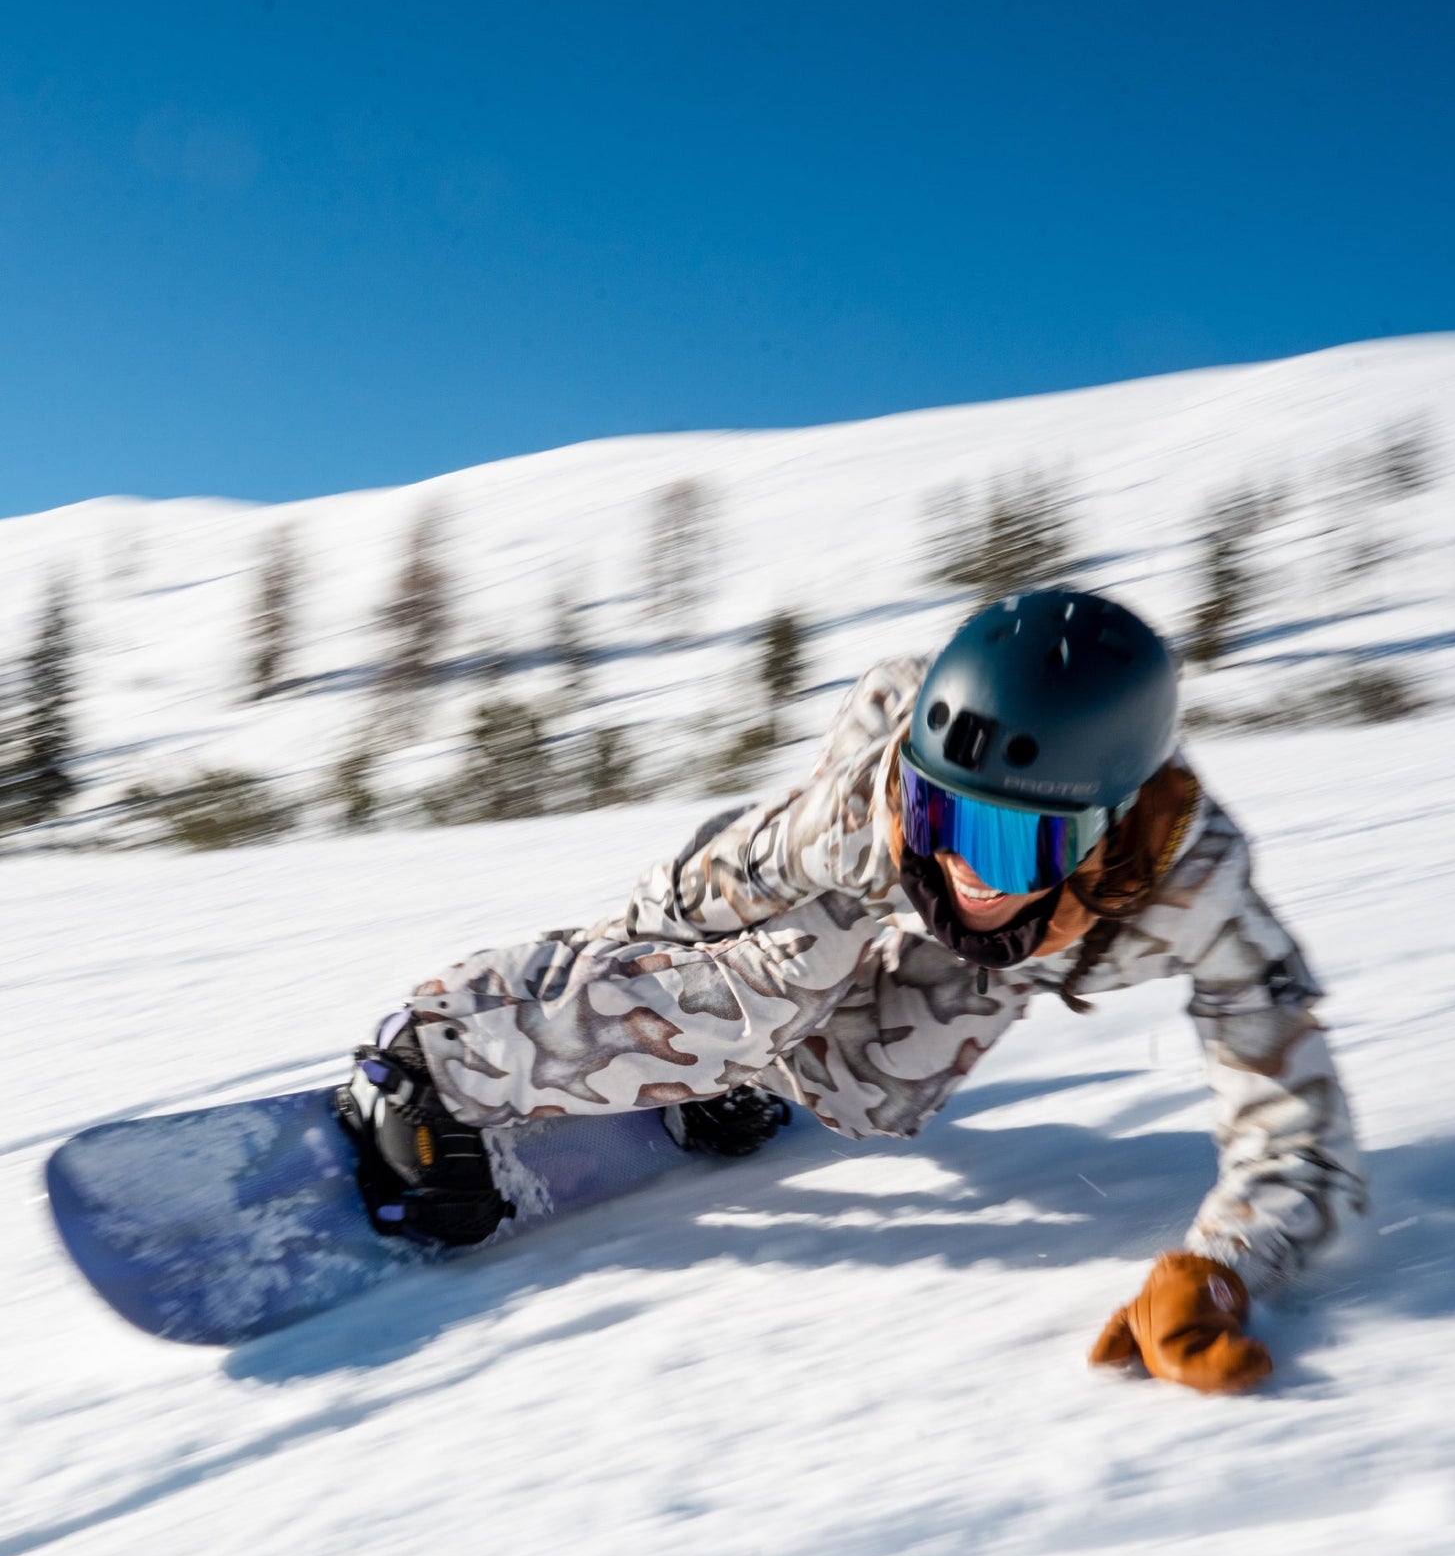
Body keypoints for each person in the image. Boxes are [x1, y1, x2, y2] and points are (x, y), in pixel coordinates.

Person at [337, 588, 1363, 1393]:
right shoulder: (874, 810)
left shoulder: (1201, 894)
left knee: (877, 1093)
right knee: (765, 986)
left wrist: (1225, 1265)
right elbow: (693, 900)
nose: (964, 865)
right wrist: (549, 1022)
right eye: (944, 815)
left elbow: (1300, 1134)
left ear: (1108, 832)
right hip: (841, 867)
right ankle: (433, 1054)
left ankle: (747, 1077)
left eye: (1010, 840)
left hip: (1011, 949)